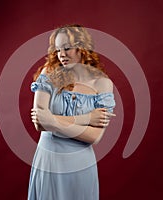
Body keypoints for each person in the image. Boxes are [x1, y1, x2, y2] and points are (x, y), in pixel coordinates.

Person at [28, 24, 116, 200]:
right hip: (49, 159)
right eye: (58, 49)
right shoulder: (49, 73)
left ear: (83, 48)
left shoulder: (103, 83)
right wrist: (88, 117)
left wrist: (51, 120)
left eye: (67, 48)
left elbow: (94, 137)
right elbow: (40, 123)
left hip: (81, 163)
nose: (61, 55)